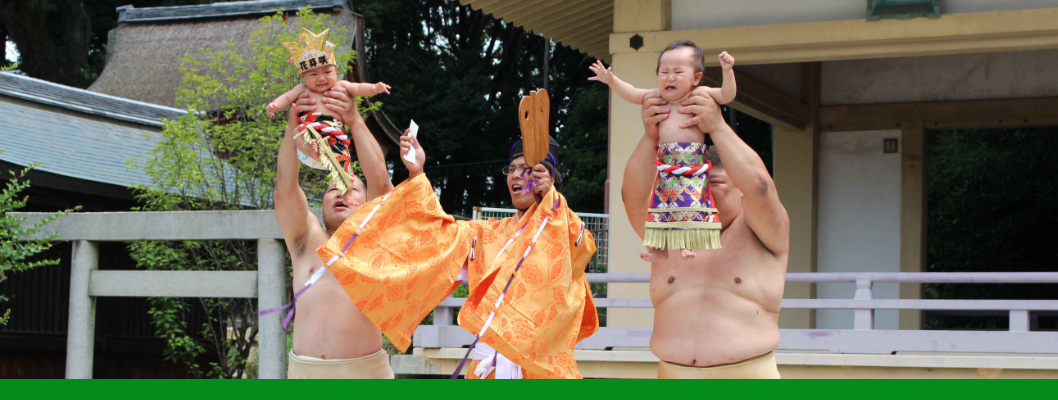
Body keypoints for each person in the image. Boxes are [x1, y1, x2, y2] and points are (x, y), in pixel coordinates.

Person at [318, 131, 599, 379]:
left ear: (549, 179)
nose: (515, 175)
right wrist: (417, 172)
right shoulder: (485, 233)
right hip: (487, 369)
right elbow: (435, 234)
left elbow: (578, 250)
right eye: (511, 169)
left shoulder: (568, 228)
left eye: (526, 169)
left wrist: (551, 202)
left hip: (543, 371)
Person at [622, 87, 789, 379]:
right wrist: (651, 136)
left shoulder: (764, 232)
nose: (699, 192)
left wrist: (717, 126)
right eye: (692, 183)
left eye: (712, 182)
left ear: (740, 190)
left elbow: (761, 188)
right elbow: (631, 197)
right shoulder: (671, 233)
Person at [272, 84, 396, 379]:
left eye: (352, 188)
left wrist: (353, 118)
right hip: (306, 375)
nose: (342, 192)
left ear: (367, 204)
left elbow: (380, 181)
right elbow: (285, 187)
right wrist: (292, 128)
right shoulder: (305, 237)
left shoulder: (375, 238)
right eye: (333, 189)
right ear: (322, 203)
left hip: (365, 375)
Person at [590, 40, 736, 261]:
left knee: (689, 205)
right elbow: (631, 92)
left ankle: (687, 246)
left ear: (696, 78)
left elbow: (727, 95)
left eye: (678, 71)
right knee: (661, 209)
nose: (670, 77)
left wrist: (727, 71)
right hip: (666, 167)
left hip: (692, 167)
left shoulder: (700, 96)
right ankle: (659, 250)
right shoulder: (656, 98)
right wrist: (610, 80)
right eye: (664, 72)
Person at [267, 28, 391, 193]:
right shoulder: (302, 89)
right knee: (297, 132)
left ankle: (341, 177)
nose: (321, 78)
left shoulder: (341, 85)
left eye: (327, 72)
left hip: (333, 136)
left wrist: (374, 88)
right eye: (313, 74)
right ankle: (314, 151)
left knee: (340, 166)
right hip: (309, 138)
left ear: (336, 70)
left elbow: (359, 87)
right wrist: (274, 105)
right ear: (303, 76)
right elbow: (287, 97)